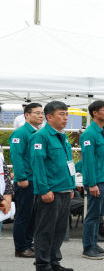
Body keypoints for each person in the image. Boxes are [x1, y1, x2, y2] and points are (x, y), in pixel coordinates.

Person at [29, 101, 75, 271]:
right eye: (61, 114)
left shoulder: (61, 136)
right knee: (45, 230)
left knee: (59, 230)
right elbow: (38, 164)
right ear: (49, 117)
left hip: (63, 189)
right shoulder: (40, 136)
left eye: (66, 114)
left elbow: (67, 163)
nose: (65, 117)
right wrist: (43, 189)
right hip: (50, 191)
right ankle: (42, 266)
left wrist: (71, 186)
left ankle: (54, 261)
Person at [80, 100, 104, 260]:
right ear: (95, 113)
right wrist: (91, 183)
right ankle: (88, 247)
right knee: (93, 215)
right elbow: (88, 161)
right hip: (97, 181)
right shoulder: (89, 134)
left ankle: (94, 243)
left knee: (99, 215)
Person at [8, 102, 44, 258]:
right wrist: (21, 177)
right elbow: (17, 157)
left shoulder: (37, 133)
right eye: (37, 113)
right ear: (27, 115)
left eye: (42, 113)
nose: (40, 116)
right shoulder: (20, 133)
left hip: (36, 179)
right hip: (26, 180)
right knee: (24, 214)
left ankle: (29, 244)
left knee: (33, 215)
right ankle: (21, 247)